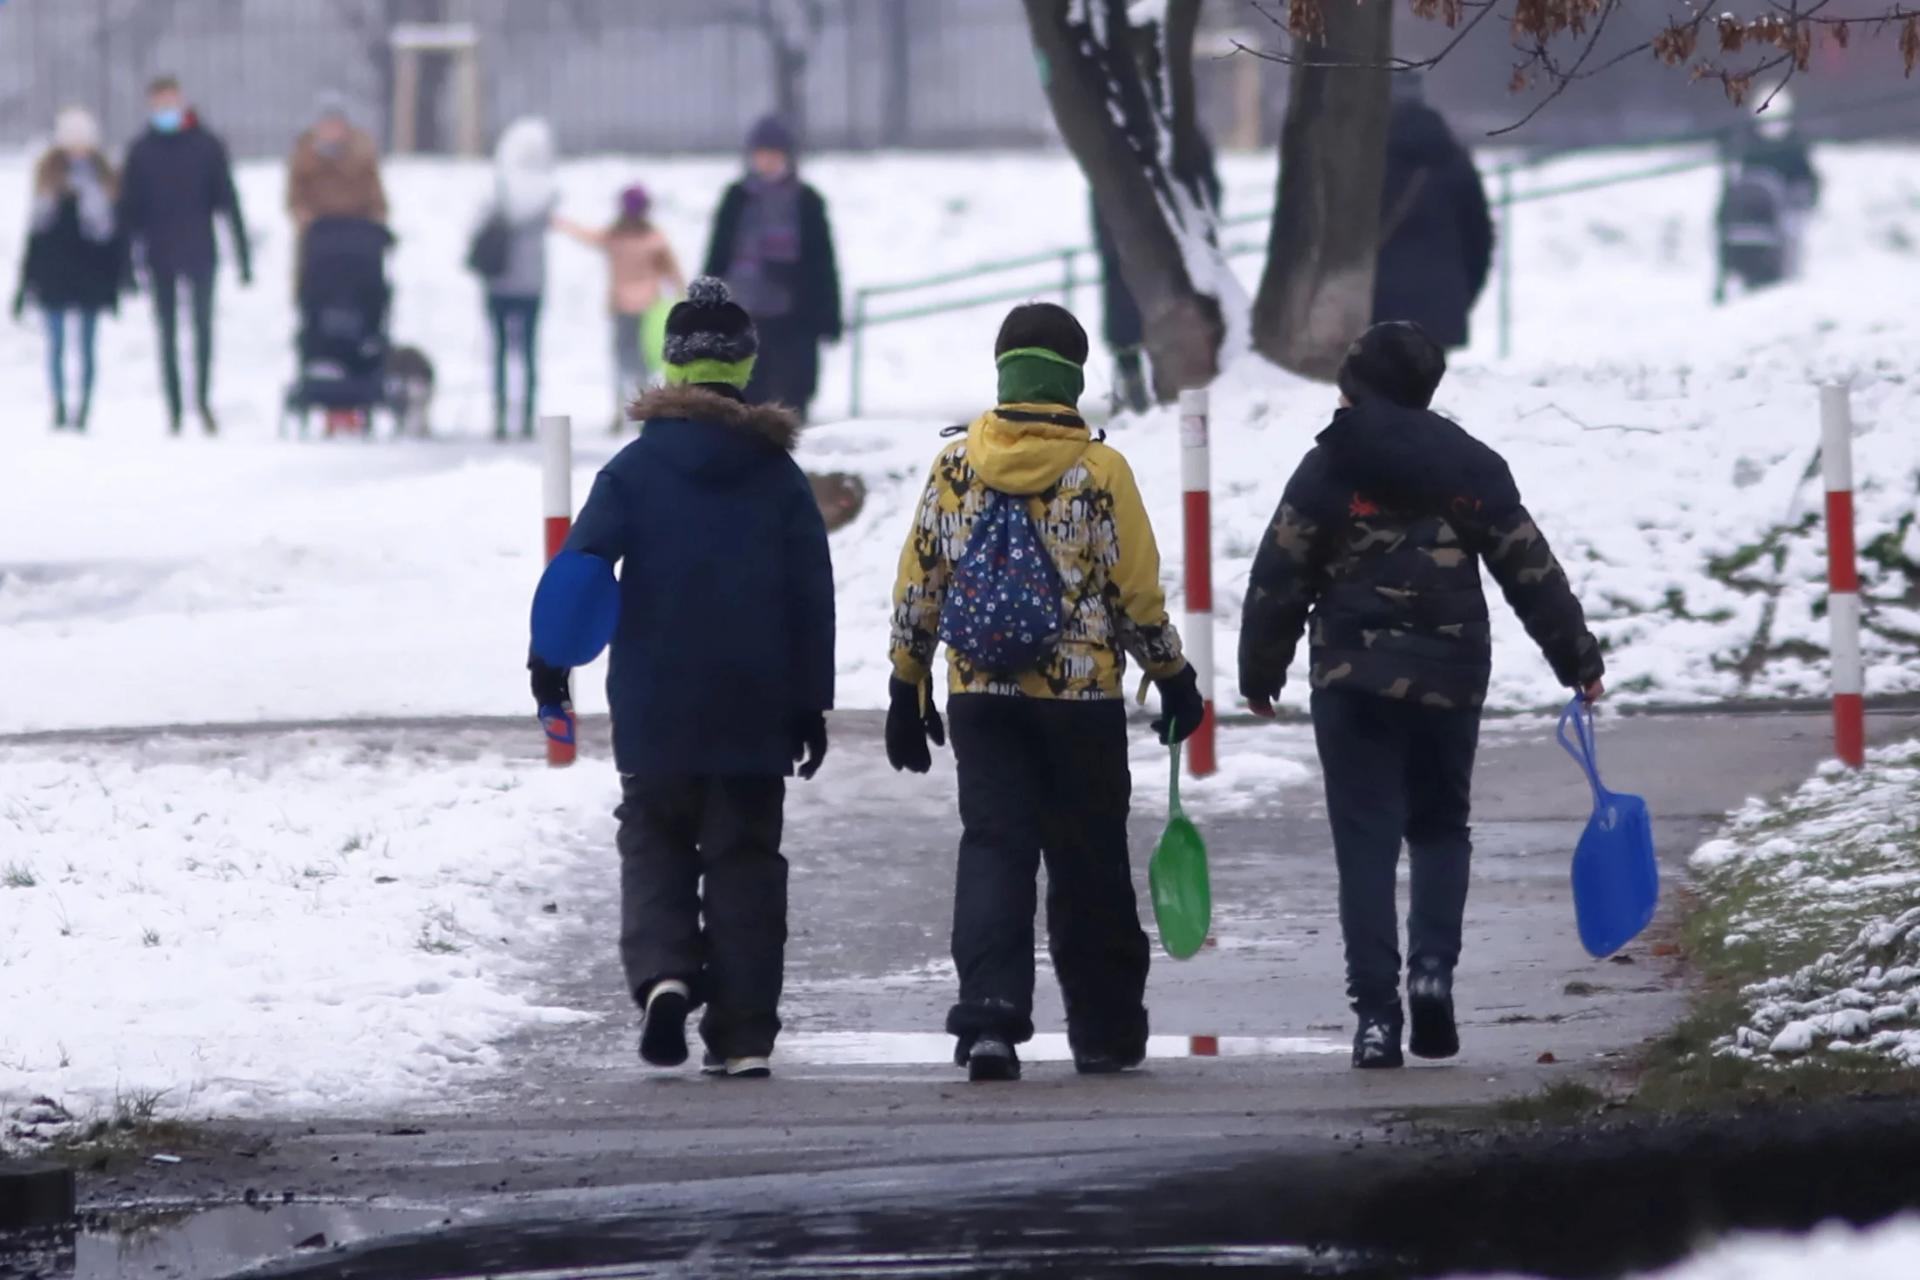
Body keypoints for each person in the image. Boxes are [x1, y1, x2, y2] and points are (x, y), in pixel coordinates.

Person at [1236, 321, 1606, 1070]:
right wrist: (1578, 659)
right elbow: (1528, 565)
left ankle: (1377, 1017)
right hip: (1451, 675)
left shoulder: (1330, 464)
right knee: (1440, 829)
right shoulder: (1469, 465)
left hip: (1353, 682)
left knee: (1366, 845)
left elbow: (1281, 574)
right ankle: (1432, 970)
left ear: (1358, 385)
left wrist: (1259, 671)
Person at [886, 301, 1204, 1084]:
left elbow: (921, 578)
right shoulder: (1099, 470)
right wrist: (1173, 675)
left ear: (1004, 373)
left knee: (994, 847)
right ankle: (1103, 1032)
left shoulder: (955, 464)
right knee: (1088, 856)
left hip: (981, 695)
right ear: (1073, 378)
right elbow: (1135, 594)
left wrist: (907, 681)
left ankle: (990, 1018)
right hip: (1081, 701)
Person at [527, 277, 835, 1081]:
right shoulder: (777, 478)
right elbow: (811, 596)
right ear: (745, 368)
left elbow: (583, 566)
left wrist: (549, 664)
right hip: (755, 707)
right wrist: (811, 704)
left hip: (657, 705)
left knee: (656, 842)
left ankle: (665, 973)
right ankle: (741, 1035)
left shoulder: (633, 471)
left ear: (670, 364)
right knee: (745, 863)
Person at [118, 74, 252, 435]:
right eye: (159, 104)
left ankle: (204, 403)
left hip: (199, 251)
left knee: (203, 330)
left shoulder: (206, 146)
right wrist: (125, 266)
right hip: (159, 254)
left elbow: (227, 200)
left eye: (170, 102)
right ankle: (174, 409)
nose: (166, 109)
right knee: (167, 334)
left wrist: (243, 255)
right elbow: (128, 212)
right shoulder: (141, 151)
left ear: (182, 100)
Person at [703, 117, 841, 420]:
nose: (767, 160)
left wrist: (828, 313)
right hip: (742, 316)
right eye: (762, 153)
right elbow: (718, 254)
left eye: (774, 153)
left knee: (791, 400)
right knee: (743, 401)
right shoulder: (736, 199)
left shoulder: (807, 201)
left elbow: (822, 260)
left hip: (792, 316)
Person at [13, 106, 124, 432]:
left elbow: (111, 236)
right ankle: (59, 405)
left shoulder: (103, 175)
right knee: (56, 345)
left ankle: (85, 407)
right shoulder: (47, 174)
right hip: (55, 276)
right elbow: (35, 233)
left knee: (88, 346)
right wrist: (25, 284)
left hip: (89, 277)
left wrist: (115, 282)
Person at [1372, 74, 1492, 351]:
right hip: (1439, 309)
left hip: (1375, 307)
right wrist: (1459, 297)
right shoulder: (1451, 156)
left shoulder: (1363, 159)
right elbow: (1479, 239)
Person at [555, 184, 686, 432]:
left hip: (627, 308)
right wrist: (683, 296)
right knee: (642, 361)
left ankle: (621, 408)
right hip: (646, 307)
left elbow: (588, 236)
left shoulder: (617, 237)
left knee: (623, 359)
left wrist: (564, 224)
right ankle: (642, 407)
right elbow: (673, 271)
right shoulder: (653, 239)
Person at [470, 116, 557, 440]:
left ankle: (501, 416)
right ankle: (527, 416)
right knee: (530, 351)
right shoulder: (549, 189)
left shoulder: (499, 186)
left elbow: (479, 221)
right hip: (533, 281)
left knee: (500, 350)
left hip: (499, 279)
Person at [1715, 91, 1820, 301]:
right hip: (1750, 215)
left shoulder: (1795, 145)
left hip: (1784, 213)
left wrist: (1802, 196)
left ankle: (1788, 285)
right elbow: (1737, 179)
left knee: (1791, 230)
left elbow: (1808, 180)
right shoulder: (1749, 143)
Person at [286, 90, 387, 271]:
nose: (332, 129)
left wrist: (375, 223)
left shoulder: (361, 154)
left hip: (356, 234)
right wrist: (307, 220)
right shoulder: (304, 155)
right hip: (319, 236)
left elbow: (375, 194)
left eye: (336, 123)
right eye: (327, 123)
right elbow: (295, 197)